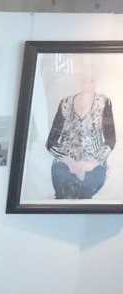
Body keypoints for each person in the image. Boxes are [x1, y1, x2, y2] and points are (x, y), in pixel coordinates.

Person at [46, 66, 116, 199]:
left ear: (97, 81)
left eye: (92, 80)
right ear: (78, 81)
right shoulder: (65, 103)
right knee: (63, 195)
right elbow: (51, 142)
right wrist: (71, 163)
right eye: (84, 80)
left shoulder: (104, 102)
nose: (88, 84)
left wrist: (91, 163)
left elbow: (110, 140)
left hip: (94, 163)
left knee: (86, 195)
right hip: (65, 163)